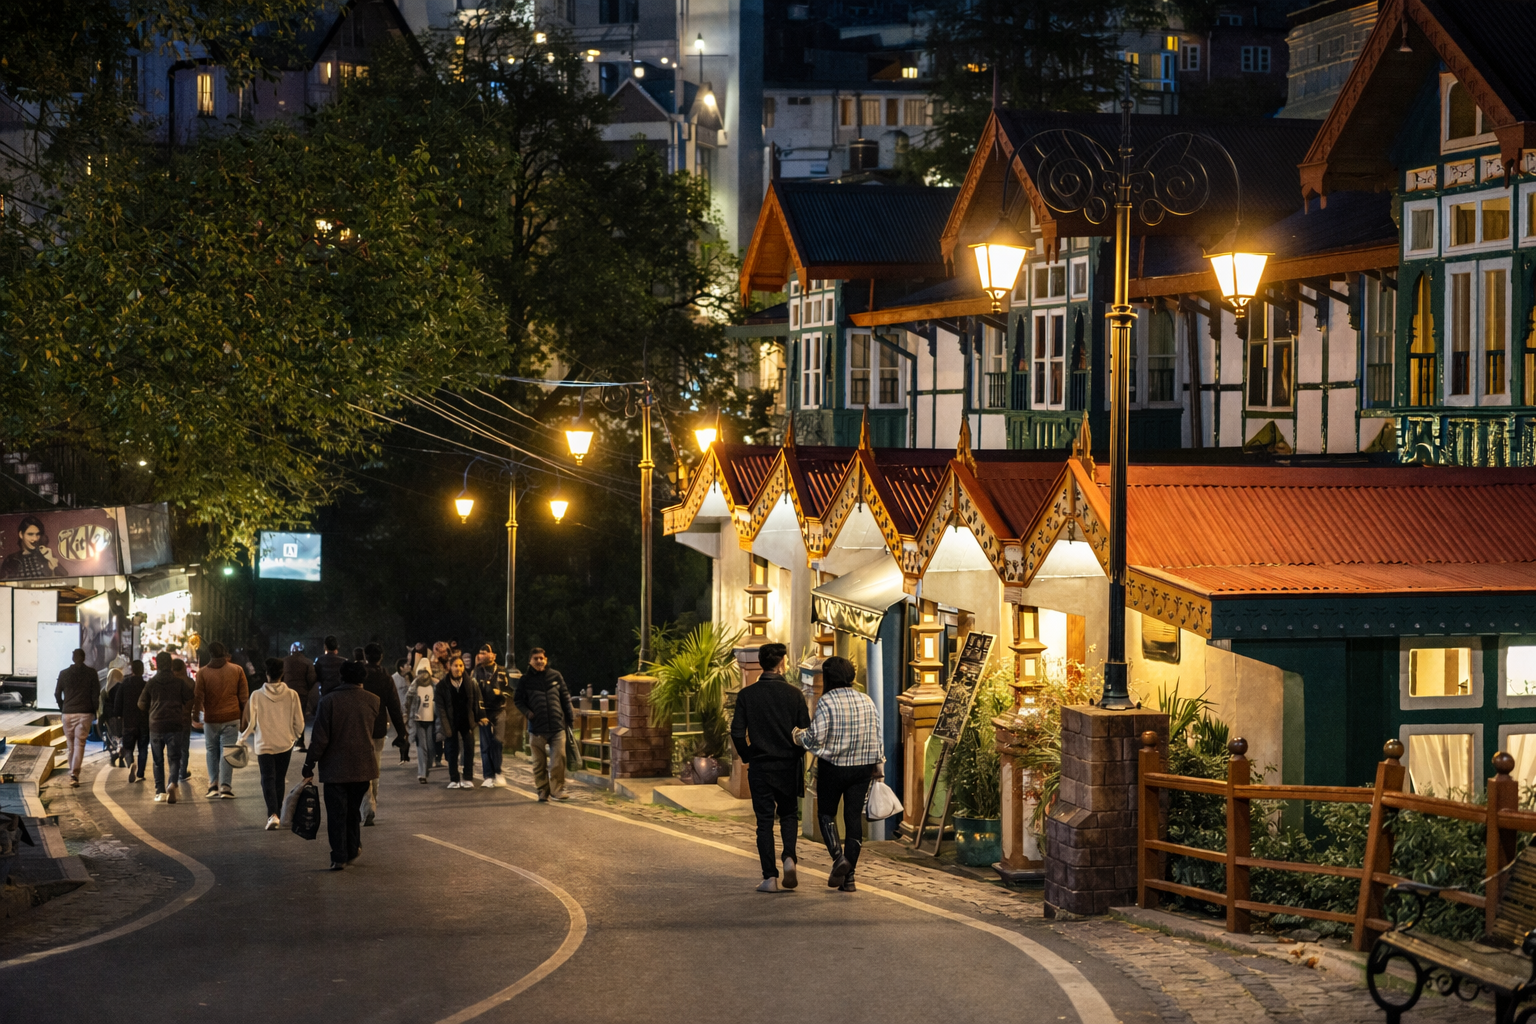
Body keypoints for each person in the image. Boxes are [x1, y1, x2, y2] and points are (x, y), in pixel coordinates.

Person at [794, 656, 883, 894]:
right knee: (853, 819)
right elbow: (877, 734)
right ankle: (849, 878)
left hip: (833, 768)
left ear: (829, 678)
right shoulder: (867, 701)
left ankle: (838, 859)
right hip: (862, 768)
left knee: (826, 814)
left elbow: (815, 738)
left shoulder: (827, 701)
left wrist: (797, 735)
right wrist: (879, 765)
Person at [729, 642, 809, 893]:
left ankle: (769, 878)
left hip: (761, 766)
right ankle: (789, 858)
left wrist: (748, 755)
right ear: (782, 664)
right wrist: (796, 752)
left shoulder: (747, 695)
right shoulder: (795, 694)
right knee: (788, 815)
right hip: (788, 764)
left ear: (762, 664)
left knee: (764, 822)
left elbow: (737, 733)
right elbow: (805, 733)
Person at [302, 661, 380, 870]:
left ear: (341, 676)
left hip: (335, 769)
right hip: (363, 767)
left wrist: (309, 764)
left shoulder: (328, 702)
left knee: (336, 814)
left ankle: (339, 855)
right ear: (362, 679)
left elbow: (320, 738)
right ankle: (352, 848)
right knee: (353, 811)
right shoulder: (373, 701)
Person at [240, 658, 305, 830]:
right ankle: (277, 812)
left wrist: (243, 738)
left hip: (264, 743)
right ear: (282, 674)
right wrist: (294, 736)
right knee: (279, 779)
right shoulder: (292, 695)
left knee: (267, 779)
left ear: (266, 674)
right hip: (285, 743)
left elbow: (251, 722)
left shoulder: (256, 695)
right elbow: (299, 723)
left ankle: (273, 815)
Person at [513, 648, 573, 803]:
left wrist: (569, 719)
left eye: (541, 658)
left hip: (556, 726)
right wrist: (528, 713)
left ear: (546, 659)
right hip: (537, 727)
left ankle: (557, 790)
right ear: (530, 661)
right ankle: (542, 790)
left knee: (558, 760)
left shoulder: (555, 676)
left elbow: (565, 697)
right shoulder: (525, 680)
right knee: (539, 763)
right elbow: (518, 700)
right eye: (535, 658)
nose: (539, 661)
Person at [360, 643, 409, 825]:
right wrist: (401, 732)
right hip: (379, 728)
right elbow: (394, 707)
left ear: (366, 656)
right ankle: (372, 803)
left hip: (360, 728)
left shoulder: (359, 675)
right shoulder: (386, 677)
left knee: (360, 769)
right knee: (375, 767)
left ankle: (365, 805)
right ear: (381, 657)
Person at [194, 641, 250, 799]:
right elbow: (244, 699)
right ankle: (225, 787)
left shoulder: (202, 673)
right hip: (232, 717)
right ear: (225, 653)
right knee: (228, 751)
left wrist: (195, 716)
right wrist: (246, 720)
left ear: (210, 654)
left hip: (211, 718)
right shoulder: (237, 670)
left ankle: (213, 785)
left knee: (211, 751)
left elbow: (198, 697)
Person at [139, 653, 194, 803]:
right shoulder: (179, 683)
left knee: (158, 760)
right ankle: (173, 784)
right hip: (175, 723)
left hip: (156, 724)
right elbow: (190, 697)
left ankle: (160, 791)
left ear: (157, 665)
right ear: (170, 665)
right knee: (174, 758)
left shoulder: (151, 683)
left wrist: (152, 709)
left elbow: (141, 704)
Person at [434, 655, 484, 789]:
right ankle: (454, 778)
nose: (459, 668)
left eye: (461, 666)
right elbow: (440, 708)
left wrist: (479, 717)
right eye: (456, 666)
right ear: (450, 667)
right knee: (451, 750)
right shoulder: (441, 686)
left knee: (469, 749)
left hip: (467, 720)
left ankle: (468, 778)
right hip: (450, 721)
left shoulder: (470, 683)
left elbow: (476, 703)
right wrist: (445, 727)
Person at [55, 649, 100, 788]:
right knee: (79, 744)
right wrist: (94, 711)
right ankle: (74, 774)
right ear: (84, 658)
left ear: (73, 658)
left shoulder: (64, 674)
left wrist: (63, 707)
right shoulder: (91, 673)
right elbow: (95, 695)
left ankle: (72, 773)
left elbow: (57, 693)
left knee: (71, 746)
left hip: (67, 713)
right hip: (84, 713)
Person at [473, 645, 510, 787]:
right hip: (484, 711)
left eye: (485, 653)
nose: (482, 655)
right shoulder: (477, 671)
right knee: (485, 744)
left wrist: (499, 694)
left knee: (498, 741)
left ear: (493, 655)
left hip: (499, 710)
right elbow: (474, 691)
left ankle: (498, 772)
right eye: (480, 653)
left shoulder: (501, 670)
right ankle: (488, 775)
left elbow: (510, 690)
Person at [111, 659, 150, 783]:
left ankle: (130, 762)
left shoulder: (124, 685)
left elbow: (117, 705)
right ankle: (140, 773)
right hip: (144, 722)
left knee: (128, 748)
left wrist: (117, 716)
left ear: (132, 669)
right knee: (143, 748)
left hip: (128, 722)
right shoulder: (146, 685)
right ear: (142, 670)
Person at [1, 514, 65, 580]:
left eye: (38, 534)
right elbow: (5, 585)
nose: (35, 538)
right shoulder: (11, 560)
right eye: (30, 534)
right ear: (21, 534)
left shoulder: (45, 554)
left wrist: (51, 560)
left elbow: (65, 580)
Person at [281, 641, 317, 750]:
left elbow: (280, 677)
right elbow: (312, 679)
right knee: (300, 717)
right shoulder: (308, 662)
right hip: (301, 693)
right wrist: (306, 688)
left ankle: (287, 741)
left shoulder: (284, 661)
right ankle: (300, 742)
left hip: (286, 693)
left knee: (286, 717)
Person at [406, 664, 437, 784]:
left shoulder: (434, 686)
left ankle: (427, 769)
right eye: (420, 672)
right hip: (418, 720)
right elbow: (407, 703)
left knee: (431, 748)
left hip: (432, 720)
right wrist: (406, 718)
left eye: (425, 672)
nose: (423, 675)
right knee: (421, 747)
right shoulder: (414, 687)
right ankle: (422, 773)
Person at [171, 659, 195, 790]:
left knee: (173, 747)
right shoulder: (190, 682)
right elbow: (194, 701)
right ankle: (182, 771)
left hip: (172, 718)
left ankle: (173, 772)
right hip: (185, 719)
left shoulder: (171, 683)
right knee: (184, 747)